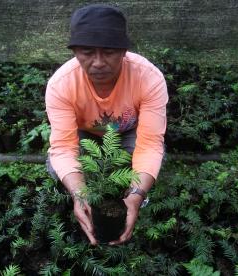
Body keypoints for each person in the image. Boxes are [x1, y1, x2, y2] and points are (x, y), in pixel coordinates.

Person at [45, 4, 168, 245]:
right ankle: (91, 198)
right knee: (55, 165)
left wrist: (136, 196)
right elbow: (63, 147)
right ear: (75, 51)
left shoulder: (148, 78)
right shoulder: (61, 84)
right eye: (87, 52)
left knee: (155, 159)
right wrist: (79, 194)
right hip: (85, 133)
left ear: (123, 51)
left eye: (109, 52)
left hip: (129, 131)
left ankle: (126, 194)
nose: (99, 62)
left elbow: (150, 144)